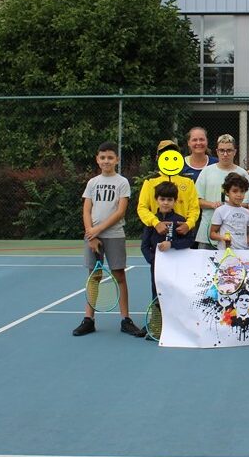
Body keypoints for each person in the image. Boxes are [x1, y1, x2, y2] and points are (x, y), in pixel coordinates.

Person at [73, 142, 139, 337]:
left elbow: (120, 212)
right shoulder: (92, 182)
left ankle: (125, 320)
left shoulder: (122, 182)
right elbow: (86, 210)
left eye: (110, 157)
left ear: (117, 160)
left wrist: (98, 230)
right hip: (92, 236)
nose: (106, 161)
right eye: (102, 158)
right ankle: (88, 319)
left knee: (119, 276)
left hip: (114, 235)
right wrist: (90, 234)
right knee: (94, 276)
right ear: (97, 159)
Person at [135, 180, 194, 338]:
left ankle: (176, 326)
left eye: (169, 199)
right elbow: (144, 246)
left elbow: (189, 241)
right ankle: (156, 325)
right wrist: (154, 261)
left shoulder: (181, 220)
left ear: (175, 201)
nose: (166, 203)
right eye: (162, 199)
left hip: (176, 267)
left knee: (175, 294)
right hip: (157, 268)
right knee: (157, 294)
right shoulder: (152, 221)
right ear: (156, 200)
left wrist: (172, 244)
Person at [137, 139, 200, 250]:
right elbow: (142, 208)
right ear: (158, 158)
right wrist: (156, 223)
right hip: (158, 231)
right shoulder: (150, 181)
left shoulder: (188, 182)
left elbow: (194, 208)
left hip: (181, 233)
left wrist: (188, 224)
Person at [195, 134, 249, 248]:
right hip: (207, 235)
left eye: (229, 150)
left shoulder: (243, 174)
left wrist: (229, 207)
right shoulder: (206, 172)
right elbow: (196, 201)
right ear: (217, 151)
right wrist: (212, 205)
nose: (225, 154)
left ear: (235, 152)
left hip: (234, 240)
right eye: (222, 150)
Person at [209, 173, 249, 250]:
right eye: (235, 191)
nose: (239, 195)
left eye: (242, 191)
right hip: (225, 252)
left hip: (244, 252)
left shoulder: (247, 212)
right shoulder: (220, 210)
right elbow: (212, 234)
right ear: (227, 192)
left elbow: (247, 234)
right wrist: (222, 238)